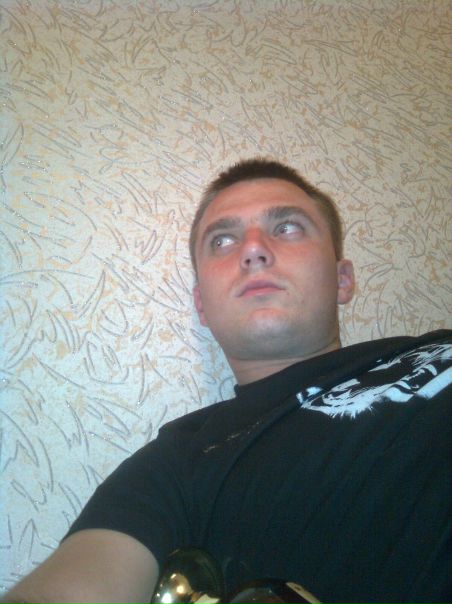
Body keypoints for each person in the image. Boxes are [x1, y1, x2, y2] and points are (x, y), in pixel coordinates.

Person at [2, 159, 451, 604]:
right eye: (222, 240)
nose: (253, 250)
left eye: (287, 227)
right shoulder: (176, 464)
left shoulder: (439, 345)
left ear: (342, 279)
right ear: (201, 304)